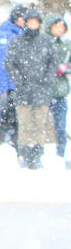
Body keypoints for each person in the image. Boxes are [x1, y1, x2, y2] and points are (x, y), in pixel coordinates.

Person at [5, 8, 57, 170]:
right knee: (25, 124)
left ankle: (37, 155)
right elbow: (10, 63)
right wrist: (20, 81)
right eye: (30, 22)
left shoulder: (46, 41)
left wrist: (46, 80)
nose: (33, 24)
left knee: (39, 125)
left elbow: (53, 62)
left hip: (41, 91)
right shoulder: (17, 42)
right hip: (23, 92)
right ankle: (24, 153)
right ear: (26, 23)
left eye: (36, 21)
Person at [0, 5, 27, 151]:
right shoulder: (8, 36)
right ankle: (1, 145)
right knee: (9, 117)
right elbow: (2, 65)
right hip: (10, 85)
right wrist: (4, 88)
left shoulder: (18, 33)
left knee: (15, 118)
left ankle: (12, 146)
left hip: (17, 84)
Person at [45, 13, 70, 168]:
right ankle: (40, 156)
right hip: (43, 92)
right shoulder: (43, 44)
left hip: (60, 91)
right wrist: (52, 68)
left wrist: (65, 68)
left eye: (61, 26)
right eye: (56, 26)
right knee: (41, 126)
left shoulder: (67, 45)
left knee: (61, 127)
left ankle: (60, 155)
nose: (59, 29)